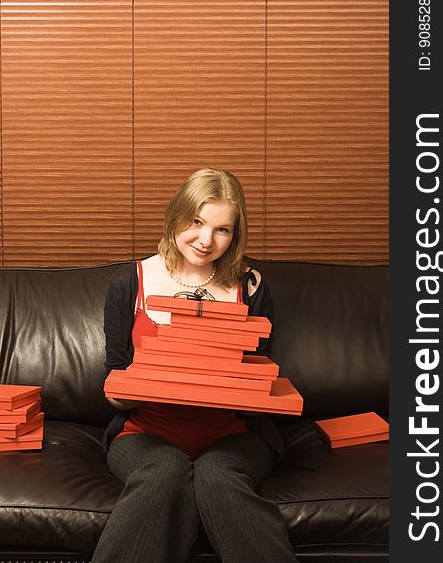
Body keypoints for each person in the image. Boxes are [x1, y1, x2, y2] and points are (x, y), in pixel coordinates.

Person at [92, 168, 297, 563]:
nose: (206, 240)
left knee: (216, 477)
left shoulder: (251, 285)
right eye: (197, 222)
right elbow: (113, 376)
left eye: (223, 230)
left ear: (235, 235)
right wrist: (128, 389)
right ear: (175, 217)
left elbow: (258, 371)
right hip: (144, 432)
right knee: (164, 471)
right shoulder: (129, 283)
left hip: (234, 434)